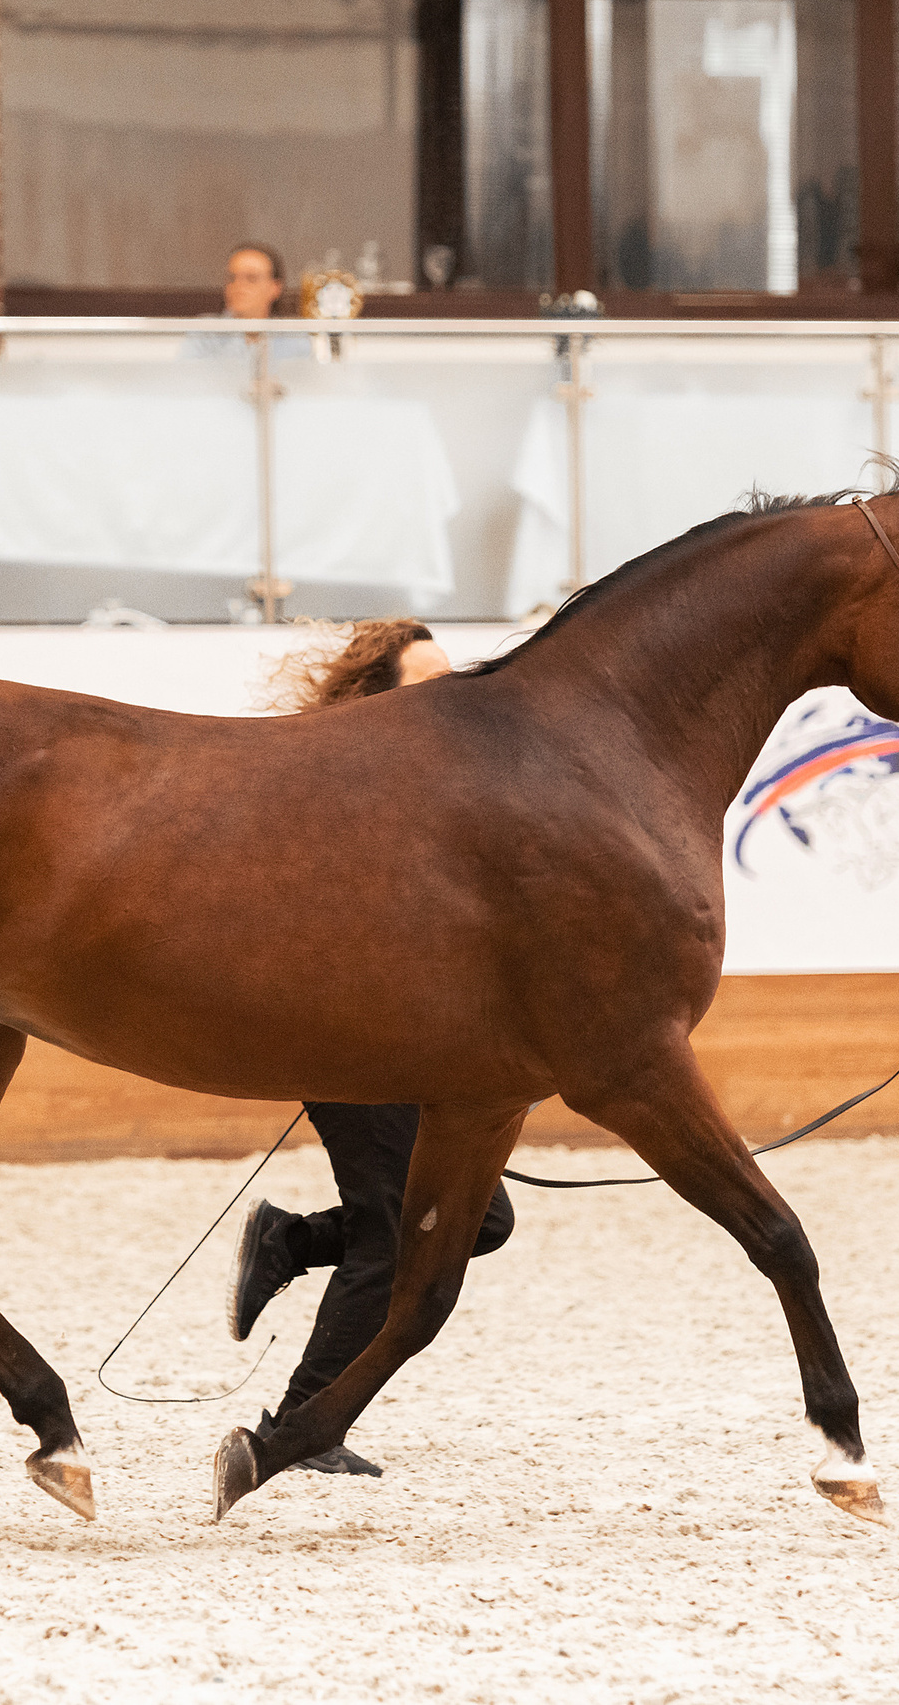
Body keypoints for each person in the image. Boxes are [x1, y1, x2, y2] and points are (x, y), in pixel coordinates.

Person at [230, 617, 513, 1478]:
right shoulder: (345, 785)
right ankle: (305, 1424)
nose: (451, 696)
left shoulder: (435, 785)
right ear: (379, 703)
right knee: (394, 1231)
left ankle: (289, 1241)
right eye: (428, 685)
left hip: (404, 1035)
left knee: (484, 1219)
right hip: (342, 1032)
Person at [180, 243, 308, 361]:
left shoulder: (295, 338)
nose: (239, 286)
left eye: (251, 278)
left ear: (275, 287)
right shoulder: (204, 333)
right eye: (232, 278)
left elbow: (306, 384)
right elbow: (185, 381)